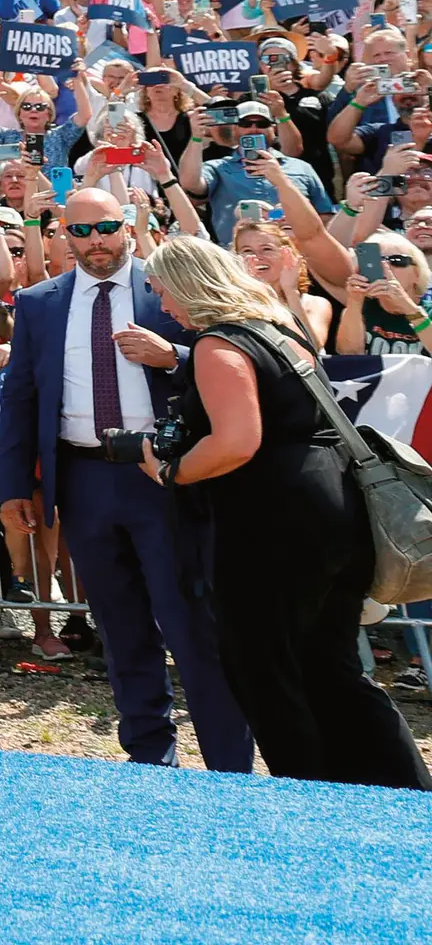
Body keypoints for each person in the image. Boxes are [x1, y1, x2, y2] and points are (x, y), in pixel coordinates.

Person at [138, 238, 431, 789]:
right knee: (332, 665)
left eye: (162, 291)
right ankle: (404, 791)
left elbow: (236, 442)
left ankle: (305, 795)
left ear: (187, 284)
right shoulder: (279, 328)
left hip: (276, 520)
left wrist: (169, 471)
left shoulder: (218, 343)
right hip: (334, 506)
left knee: (262, 667)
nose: (162, 306)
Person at [0, 189, 253, 771]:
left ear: (129, 228)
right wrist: (14, 486)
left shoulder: (170, 293)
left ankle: (229, 768)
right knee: (120, 627)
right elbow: (20, 400)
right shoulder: (38, 303)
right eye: (81, 231)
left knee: (191, 629)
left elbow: (233, 362)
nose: (95, 241)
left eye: (107, 227)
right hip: (84, 481)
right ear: (64, 234)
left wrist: (174, 359)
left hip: (167, 478)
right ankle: (149, 760)